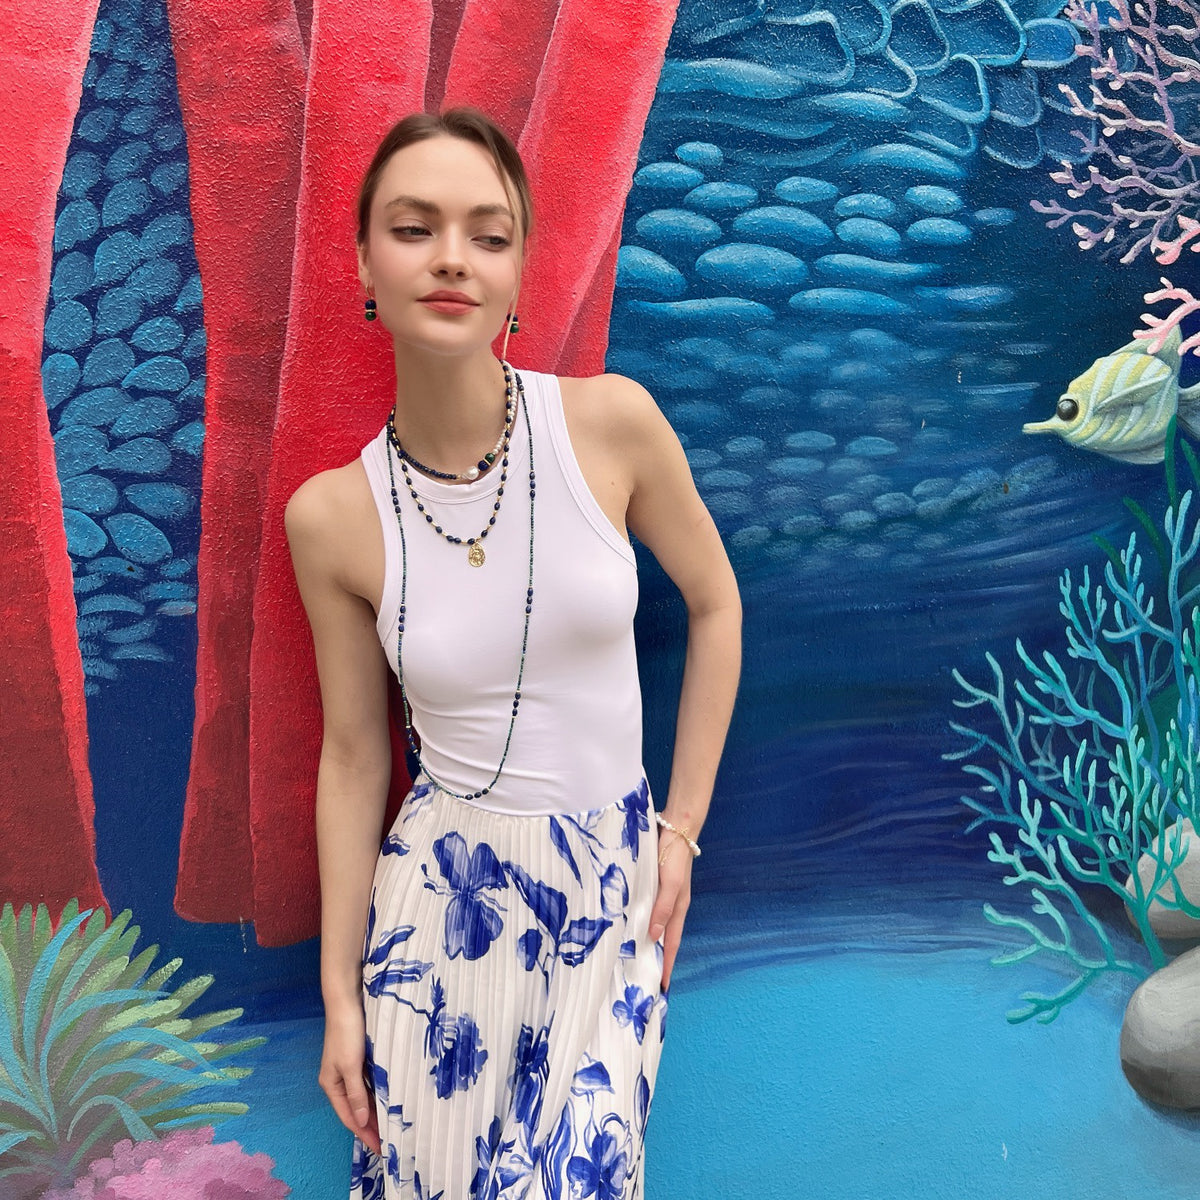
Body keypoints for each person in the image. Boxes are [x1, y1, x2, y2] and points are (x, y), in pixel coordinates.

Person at [284, 106, 741, 1199]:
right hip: (441, 907)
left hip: (611, 895)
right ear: (364, 262)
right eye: (415, 228)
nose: (453, 258)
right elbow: (354, 757)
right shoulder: (332, 517)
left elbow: (717, 604)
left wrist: (681, 829)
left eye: (488, 235)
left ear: (520, 270)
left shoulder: (611, 427)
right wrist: (341, 998)